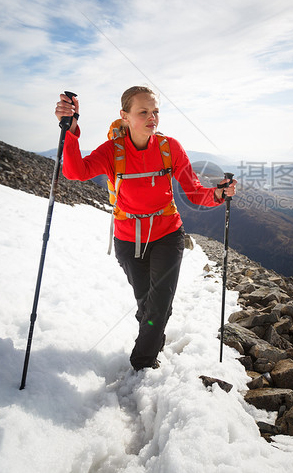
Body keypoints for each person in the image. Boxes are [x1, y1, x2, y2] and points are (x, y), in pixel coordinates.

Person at [54, 87, 236, 371]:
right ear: (124, 116)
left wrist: (218, 195)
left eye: (155, 112)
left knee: (159, 303)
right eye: (144, 112)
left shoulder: (169, 148)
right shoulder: (112, 151)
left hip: (168, 235)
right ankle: (154, 335)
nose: (153, 118)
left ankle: (142, 363)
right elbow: (75, 172)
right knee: (147, 306)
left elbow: (194, 191)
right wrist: (71, 130)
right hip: (128, 239)